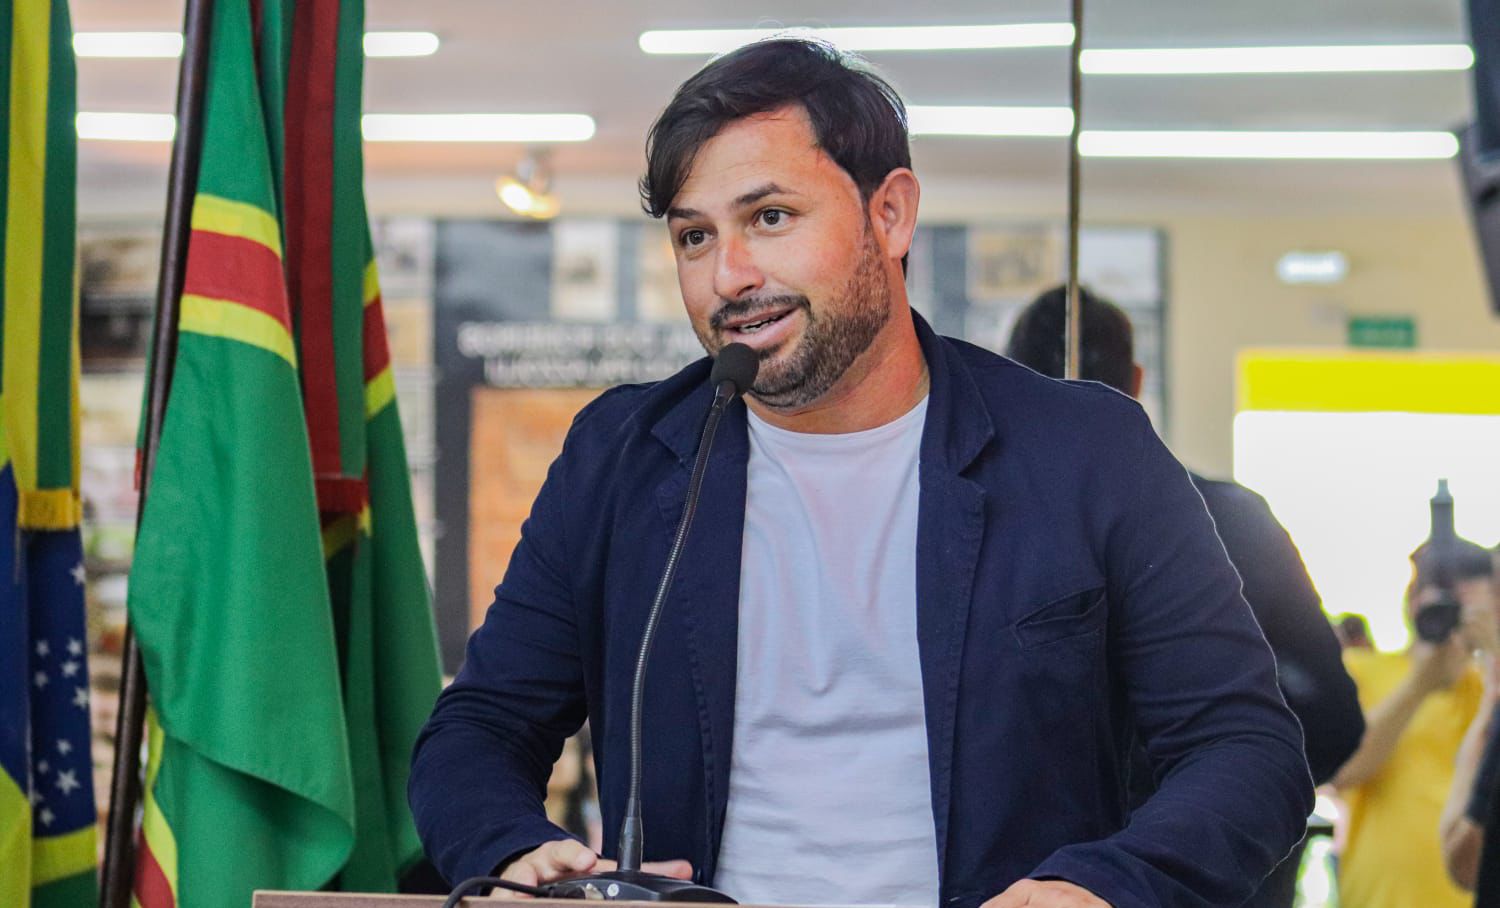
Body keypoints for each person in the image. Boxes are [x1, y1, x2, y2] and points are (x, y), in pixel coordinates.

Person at [408, 38, 1312, 908]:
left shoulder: (1087, 452)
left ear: (891, 215)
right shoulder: (620, 457)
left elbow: (1247, 750)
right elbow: (477, 731)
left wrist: (1108, 884)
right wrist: (513, 850)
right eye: (694, 237)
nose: (728, 276)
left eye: (770, 217)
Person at [1004, 286, 1365, 908]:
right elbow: (1330, 725)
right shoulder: (1237, 521)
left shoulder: (979, 531)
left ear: (1003, 383)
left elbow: (1326, 723)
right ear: (1138, 381)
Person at [1332, 577, 1490, 908]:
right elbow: (1341, 769)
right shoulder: (1360, 669)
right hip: (1380, 897)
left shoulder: (1488, 686)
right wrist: (1421, 682)